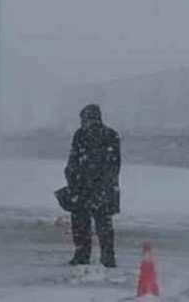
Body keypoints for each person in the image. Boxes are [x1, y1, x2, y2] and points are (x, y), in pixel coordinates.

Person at [64, 104, 121, 268]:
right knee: (101, 224)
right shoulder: (108, 135)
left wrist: (74, 180)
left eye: (84, 119)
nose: (83, 122)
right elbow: (114, 166)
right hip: (96, 187)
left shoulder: (91, 135)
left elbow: (74, 161)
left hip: (90, 187)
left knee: (86, 223)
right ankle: (105, 256)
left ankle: (85, 255)